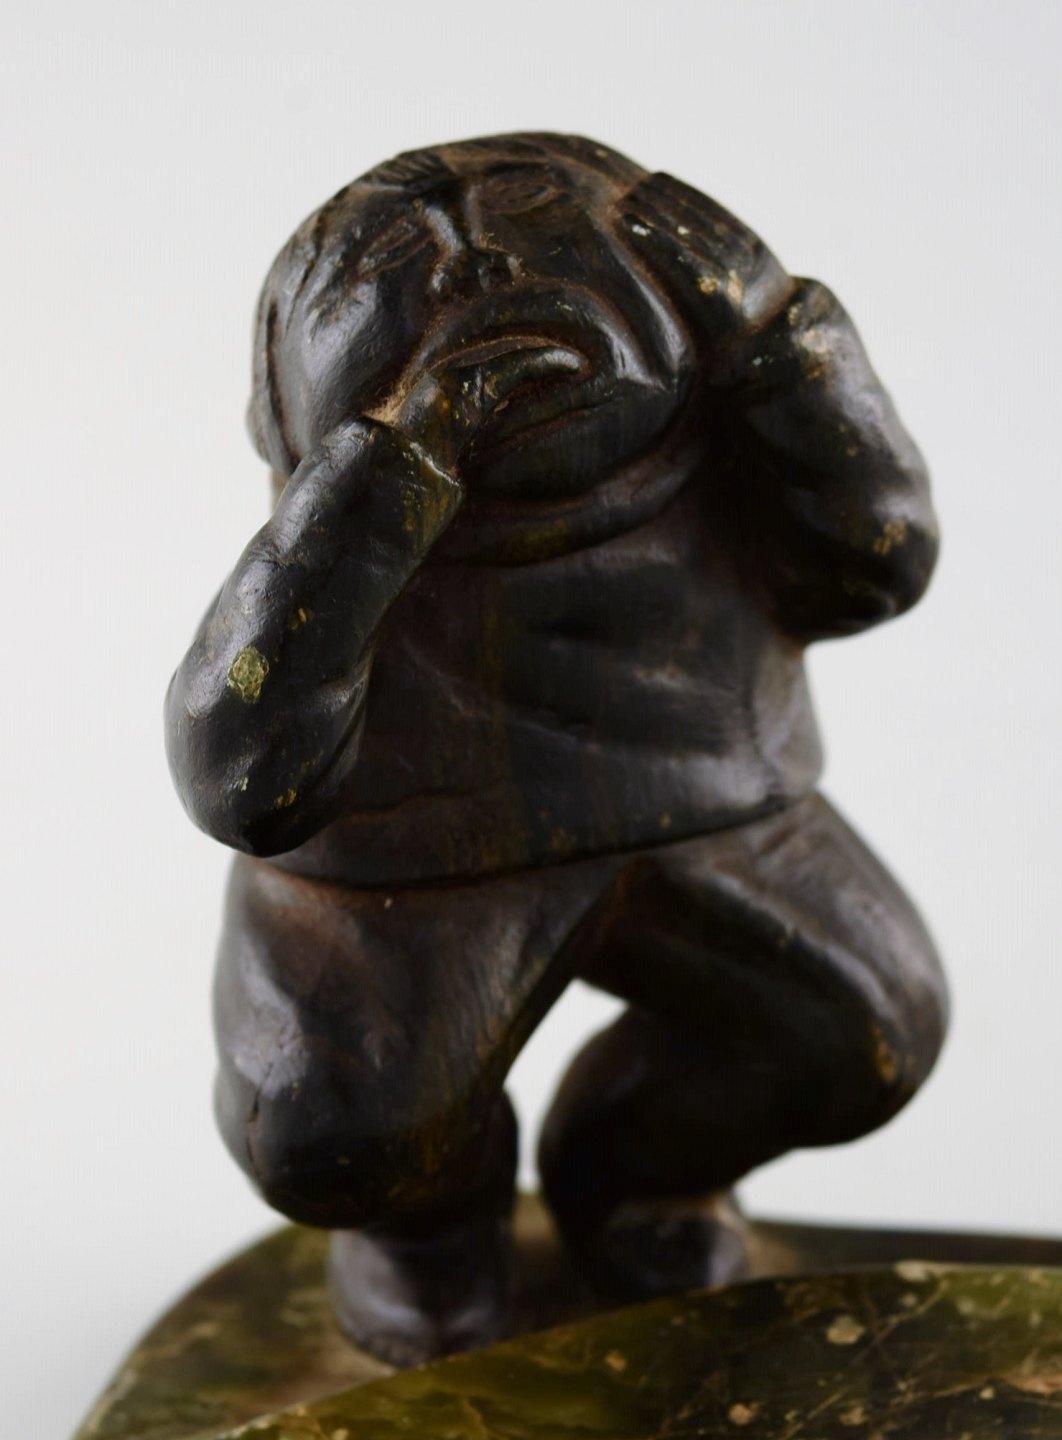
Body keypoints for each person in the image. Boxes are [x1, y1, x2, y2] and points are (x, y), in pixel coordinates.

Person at [165, 133, 946, 1364]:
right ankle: (430, 1246)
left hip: (708, 802)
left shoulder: (729, 425)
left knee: (866, 1026)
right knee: (330, 1129)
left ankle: (634, 1183)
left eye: (529, 212)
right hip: (398, 870)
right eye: (391, 261)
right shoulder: (346, 523)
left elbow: (878, 565)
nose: (478, 272)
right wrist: (379, 490)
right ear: (283, 396)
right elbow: (241, 777)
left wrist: (789, 343)